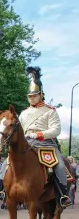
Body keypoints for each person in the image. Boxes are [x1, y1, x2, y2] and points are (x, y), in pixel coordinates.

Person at [18, 67, 71, 207]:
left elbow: (56, 130)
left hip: (45, 144)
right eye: (30, 96)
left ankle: (63, 194)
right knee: (7, 164)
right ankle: (4, 191)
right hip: (27, 144)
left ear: (41, 94)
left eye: (35, 95)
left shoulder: (50, 111)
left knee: (59, 165)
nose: (32, 98)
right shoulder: (23, 114)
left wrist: (38, 134)